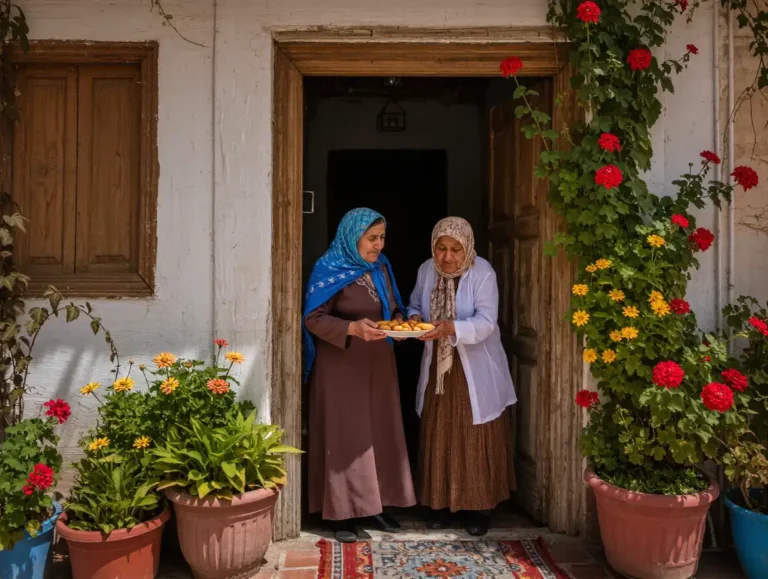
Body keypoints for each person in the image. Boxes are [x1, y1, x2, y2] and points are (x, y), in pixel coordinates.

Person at [303, 207, 416, 543]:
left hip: (378, 363)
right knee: (345, 438)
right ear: (353, 237)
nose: (379, 245)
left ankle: (374, 506)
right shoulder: (328, 268)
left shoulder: (381, 267)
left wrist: (398, 319)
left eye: (382, 237)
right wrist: (351, 327)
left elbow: (392, 305)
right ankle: (340, 514)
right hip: (341, 366)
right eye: (372, 238)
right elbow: (312, 318)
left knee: (378, 433)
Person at [408, 216, 517, 536]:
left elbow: (486, 322)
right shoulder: (427, 270)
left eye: (455, 249)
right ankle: (439, 504)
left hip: (473, 369)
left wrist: (450, 328)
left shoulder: (482, 272)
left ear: (467, 247)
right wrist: (415, 317)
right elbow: (415, 301)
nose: (447, 256)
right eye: (441, 248)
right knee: (439, 431)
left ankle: (478, 508)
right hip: (438, 370)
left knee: (474, 433)